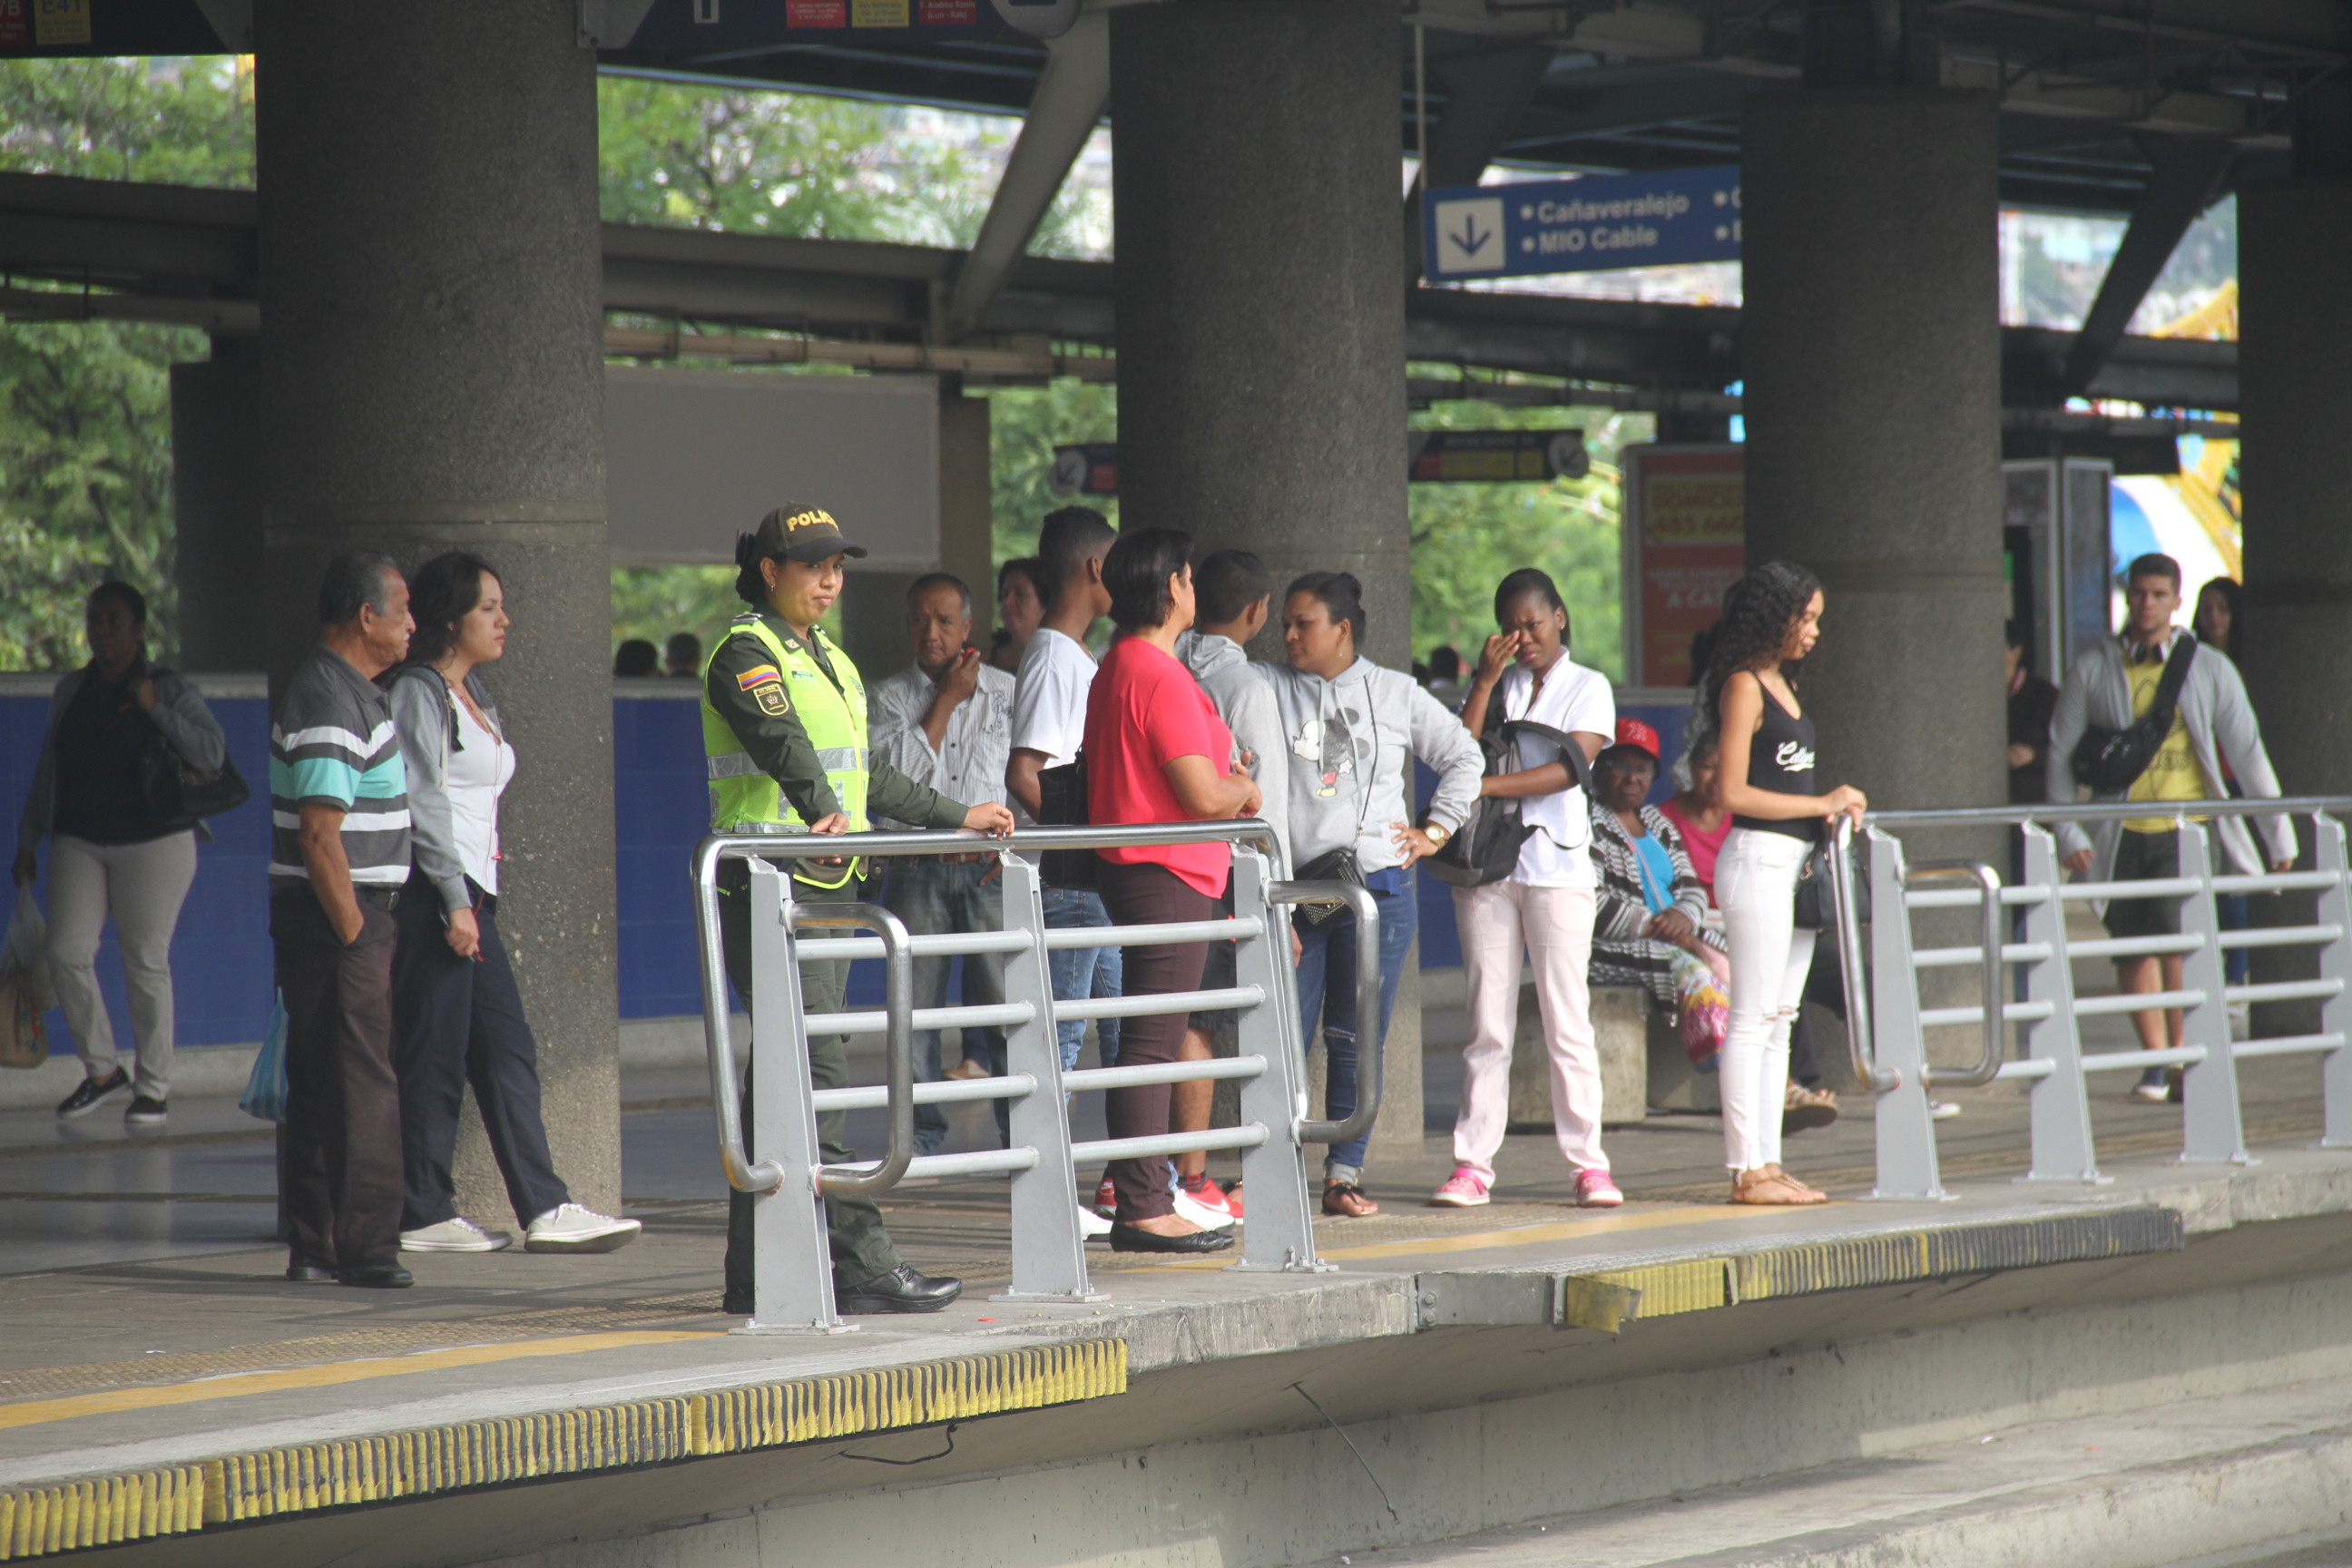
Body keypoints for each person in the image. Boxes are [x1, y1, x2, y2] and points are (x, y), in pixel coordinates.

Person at [706, 505, 1015, 1316]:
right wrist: (818, 810)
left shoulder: (832, 661)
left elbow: (868, 775)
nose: (831, 578)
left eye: (838, 564)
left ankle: (750, 1273)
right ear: (770, 571)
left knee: (783, 1072)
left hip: (826, 884)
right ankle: (863, 1260)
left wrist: (959, 813)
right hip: (773, 880)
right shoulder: (747, 651)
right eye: (813, 565)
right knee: (820, 1072)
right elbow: (784, 746)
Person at [387, 552, 640, 1257]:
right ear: (449, 619)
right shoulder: (419, 690)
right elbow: (423, 798)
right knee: (433, 1054)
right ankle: (423, 1210)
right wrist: (451, 899)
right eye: (488, 608)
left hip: (472, 895)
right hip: (437, 894)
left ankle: (546, 1207)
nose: (505, 620)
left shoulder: (475, 694)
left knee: (505, 1050)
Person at [1260, 571, 1479, 1217]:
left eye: (1304, 624)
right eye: (1285, 624)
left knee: (1356, 1037)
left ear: (1343, 629)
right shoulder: (1270, 687)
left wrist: (1434, 831)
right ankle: (1273, 1171)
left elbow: (1465, 757)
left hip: (1379, 886)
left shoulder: (1396, 691)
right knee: (1285, 1031)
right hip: (1304, 891)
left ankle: (1344, 1175)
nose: (1290, 636)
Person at [2049, 554, 2293, 1102]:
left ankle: (2183, 1059)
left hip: (2189, 829)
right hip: (2121, 830)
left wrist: (2278, 833)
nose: (2147, 604)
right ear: (2128, 598)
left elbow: (2246, 752)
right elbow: (2060, 754)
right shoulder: (2095, 668)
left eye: (2159, 594)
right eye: (2139, 594)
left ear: (2176, 601)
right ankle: (2157, 1064)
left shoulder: (2208, 668)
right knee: (2131, 946)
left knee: (2181, 945)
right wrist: (2069, 832)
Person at [1083, 527, 1258, 1254]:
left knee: (1146, 1041)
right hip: (1168, 873)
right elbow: (1202, 793)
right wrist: (1241, 786)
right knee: (1152, 1045)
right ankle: (1146, 1204)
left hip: (1146, 872)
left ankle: (1144, 1196)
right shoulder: (1157, 674)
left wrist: (1225, 782)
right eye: (1188, 578)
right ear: (1174, 587)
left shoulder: (1119, 665)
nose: (1194, 589)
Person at [1433, 569, 1616, 1210]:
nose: (1523, 637)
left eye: (1533, 623)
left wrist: (1483, 787)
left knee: (1568, 1021)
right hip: (1490, 872)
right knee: (1487, 1024)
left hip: (1559, 873)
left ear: (1560, 617)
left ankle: (1589, 1166)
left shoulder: (1590, 687)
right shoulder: (1501, 684)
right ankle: (1472, 1166)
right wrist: (1483, 680)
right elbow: (1461, 747)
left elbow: (1571, 766)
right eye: (1512, 628)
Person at [14, 582, 226, 1125]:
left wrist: (156, 710)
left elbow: (210, 750)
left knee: (145, 960)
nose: (102, 631)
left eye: (113, 620)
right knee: (65, 951)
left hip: (156, 839)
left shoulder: (167, 686)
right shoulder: (72, 690)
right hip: (79, 836)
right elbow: (48, 769)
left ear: (137, 630)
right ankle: (103, 1070)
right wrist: (27, 838)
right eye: (94, 620)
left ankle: (154, 1085)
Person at [270, 553, 418, 1289]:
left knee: (327, 1078)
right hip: (340, 918)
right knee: (363, 1084)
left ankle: (317, 1244)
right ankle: (366, 1246)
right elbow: (319, 834)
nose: (412, 625)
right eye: (403, 609)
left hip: (336, 916)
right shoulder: (332, 697)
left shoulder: (347, 690)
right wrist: (358, 931)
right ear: (366, 617)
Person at [1701, 560, 1867, 1206]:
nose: (1815, 632)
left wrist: (1824, 809)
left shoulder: (1783, 683)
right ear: (1777, 615)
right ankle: (1746, 1170)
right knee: (1750, 1016)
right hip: (1756, 862)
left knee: (1780, 1017)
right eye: (1807, 618)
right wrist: (1821, 801)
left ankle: (1767, 1161)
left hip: (1791, 868)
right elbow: (1734, 792)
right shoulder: (1744, 686)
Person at [867, 572, 1017, 1150]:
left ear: (968, 627)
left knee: (1004, 1010)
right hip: (915, 865)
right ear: (908, 625)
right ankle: (920, 1140)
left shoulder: (1007, 692)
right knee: (915, 1011)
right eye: (921, 620)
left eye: (945, 620)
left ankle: (1017, 1137)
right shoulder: (887, 698)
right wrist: (948, 700)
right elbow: (896, 782)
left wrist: (1017, 852)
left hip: (988, 867)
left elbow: (1025, 778)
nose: (932, 632)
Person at [1165, 549, 1290, 1226]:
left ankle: (1137, 1172)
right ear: (1257, 612)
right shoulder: (1248, 687)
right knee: (1200, 1026)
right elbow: (1263, 810)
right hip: (1218, 876)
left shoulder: (1161, 663)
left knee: (1159, 1021)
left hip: (1155, 867)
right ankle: (1192, 1177)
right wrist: (1284, 904)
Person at [1660, 728, 1842, 1130]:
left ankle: (1903, 1078)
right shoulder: (1666, 821)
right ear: (1691, 768)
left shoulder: (1747, 821)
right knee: (1774, 983)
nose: (1715, 777)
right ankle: (1791, 1088)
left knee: (1852, 976)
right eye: (1708, 767)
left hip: (1761, 918)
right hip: (1708, 930)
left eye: (1726, 768)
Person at [1005, 510, 1123, 1086]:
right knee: (1064, 1042)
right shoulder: (1054, 657)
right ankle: (1039, 1172)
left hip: (1090, 881)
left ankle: (1126, 1177)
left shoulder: (1073, 653)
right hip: (1076, 885)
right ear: (1096, 567)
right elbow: (1025, 772)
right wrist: (1079, 853)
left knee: (1126, 1033)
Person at [1587, 720, 1733, 1087]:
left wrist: (1684, 917)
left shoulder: (1656, 821)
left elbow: (1691, 887)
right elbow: (1590, 901)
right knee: (1697, 976)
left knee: (1748, 968)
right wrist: (1661, 928)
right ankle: (1733, 1077)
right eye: (1620, 765)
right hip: (1616, 945)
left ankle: (1765, 1074)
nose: (1631, 778)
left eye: (1642, 768)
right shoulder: (1587, 819)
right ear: (1600, 768)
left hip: (1680, 932)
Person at [2192, 577, 2251, 995]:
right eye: (2206, 608)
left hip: (2236, 778)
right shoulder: (2188, 661)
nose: (2213, 617)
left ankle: (2237, 971)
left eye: (2223, 609)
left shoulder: (2249, 662)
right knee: (2208, 877)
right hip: (2200, 778)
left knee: (2235, 878)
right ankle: (2216, 970)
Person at [2005, 619, 2059, 807]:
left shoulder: (2046, 697)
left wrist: (2033, 755)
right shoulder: (1977, 696)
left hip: (2034, 804)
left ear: (2015, 652)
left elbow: (2070, 750)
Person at [987, 556, 1044, 674]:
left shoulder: (1059, 659)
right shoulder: (982, 662)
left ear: (1046, 601)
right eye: (1004, 594)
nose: (1007, 602)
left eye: (1020, 594)